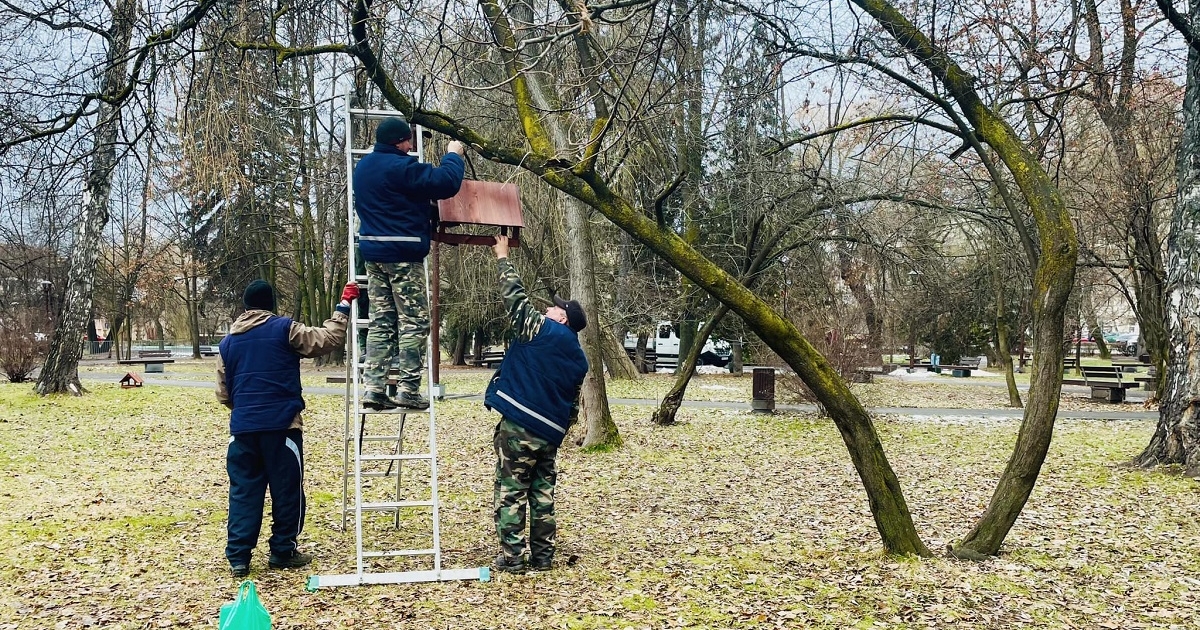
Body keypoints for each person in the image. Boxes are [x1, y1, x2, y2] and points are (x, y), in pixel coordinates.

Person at [217, 279, 359, 578]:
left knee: (243, 492)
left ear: (245, 307)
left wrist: (245, 411)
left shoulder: (228, 342)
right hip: (281, 427)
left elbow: (223, 393)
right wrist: (343, 305)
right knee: (287, 491)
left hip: (242, 430)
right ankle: (282, 550)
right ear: (270, 304)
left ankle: (239, 557)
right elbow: (327, 339)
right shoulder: (285, 329)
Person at [483, 235, 589, 574]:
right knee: (542, 495)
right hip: (549, 436)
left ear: (562, 320)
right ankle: (543, 557)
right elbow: (571, 407)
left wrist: (502, 257)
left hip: (519, 429)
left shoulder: (540, 329)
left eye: (555, 307)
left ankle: (513, 558)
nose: (548, 307)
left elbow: (515, 301)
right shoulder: (580, 359)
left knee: (511, 490)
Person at [354, 116, 466, 410]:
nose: (412, 146)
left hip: (374, 256)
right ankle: (408, 389)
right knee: (414, 323)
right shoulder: (401, 167)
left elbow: (394, 200)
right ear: (399, 142)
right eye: (409, 141)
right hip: (403, 256)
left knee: (381, 322)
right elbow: (446, 182)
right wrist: (453, 154)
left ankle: (374, 389)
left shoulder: (362, 167)